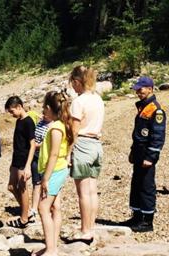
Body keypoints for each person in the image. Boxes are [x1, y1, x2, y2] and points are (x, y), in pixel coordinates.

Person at [124, 76, 166, 232]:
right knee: (136, 184)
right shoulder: (143, 107)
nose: (138, 92)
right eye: (137, 89)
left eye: (141, 89)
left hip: (147, 154)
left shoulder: (156, 110)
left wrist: (151, 157)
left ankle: (147, 221)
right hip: (138, 152)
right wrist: (132, 151)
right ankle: (136, 216)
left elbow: (158, 136)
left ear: (150, 89)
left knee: (146, 186)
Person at [34, 91, 74, 256]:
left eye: (44, 108)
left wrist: (45, 178)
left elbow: (54, 154)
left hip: (55, 171)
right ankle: (51, 245)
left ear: (49, 108)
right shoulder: (61, 124)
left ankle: (51, 249)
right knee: (55, 207)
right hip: (57, 169)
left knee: (43, 207)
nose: (43, 111)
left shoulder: (56, 127)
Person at [68, 65, 105, 241]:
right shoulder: (97, 98)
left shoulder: (79, 101)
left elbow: (74, 130)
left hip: (82, 143)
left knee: (83, 191)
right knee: (92, 190)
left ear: (76, 82)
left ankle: (85, 230)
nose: (72, 88)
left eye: (72, 84)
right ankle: (91, 227)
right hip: (96, 144)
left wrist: (68, 152)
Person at [4, 96, 36, 228]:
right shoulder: (19, 121)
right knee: (11, 186)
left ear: (19, 107)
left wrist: (28, 166)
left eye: (12, 111)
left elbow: (33, 144)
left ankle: (24, 219)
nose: (11, 114)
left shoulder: (28, 122)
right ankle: (26, 211)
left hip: (24, 160)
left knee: (22, 188)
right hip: (16, 159)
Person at [31, 109, 52, 223]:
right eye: (42, 112)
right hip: (36, 156)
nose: (43, 115)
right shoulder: (39, 123)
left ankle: (45, 206)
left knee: (45, 183)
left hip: (45, 157)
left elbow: (49, 143)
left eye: (45, 113)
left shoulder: (52, 125)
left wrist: (36, 145)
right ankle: (34, 208)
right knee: (36, 183)